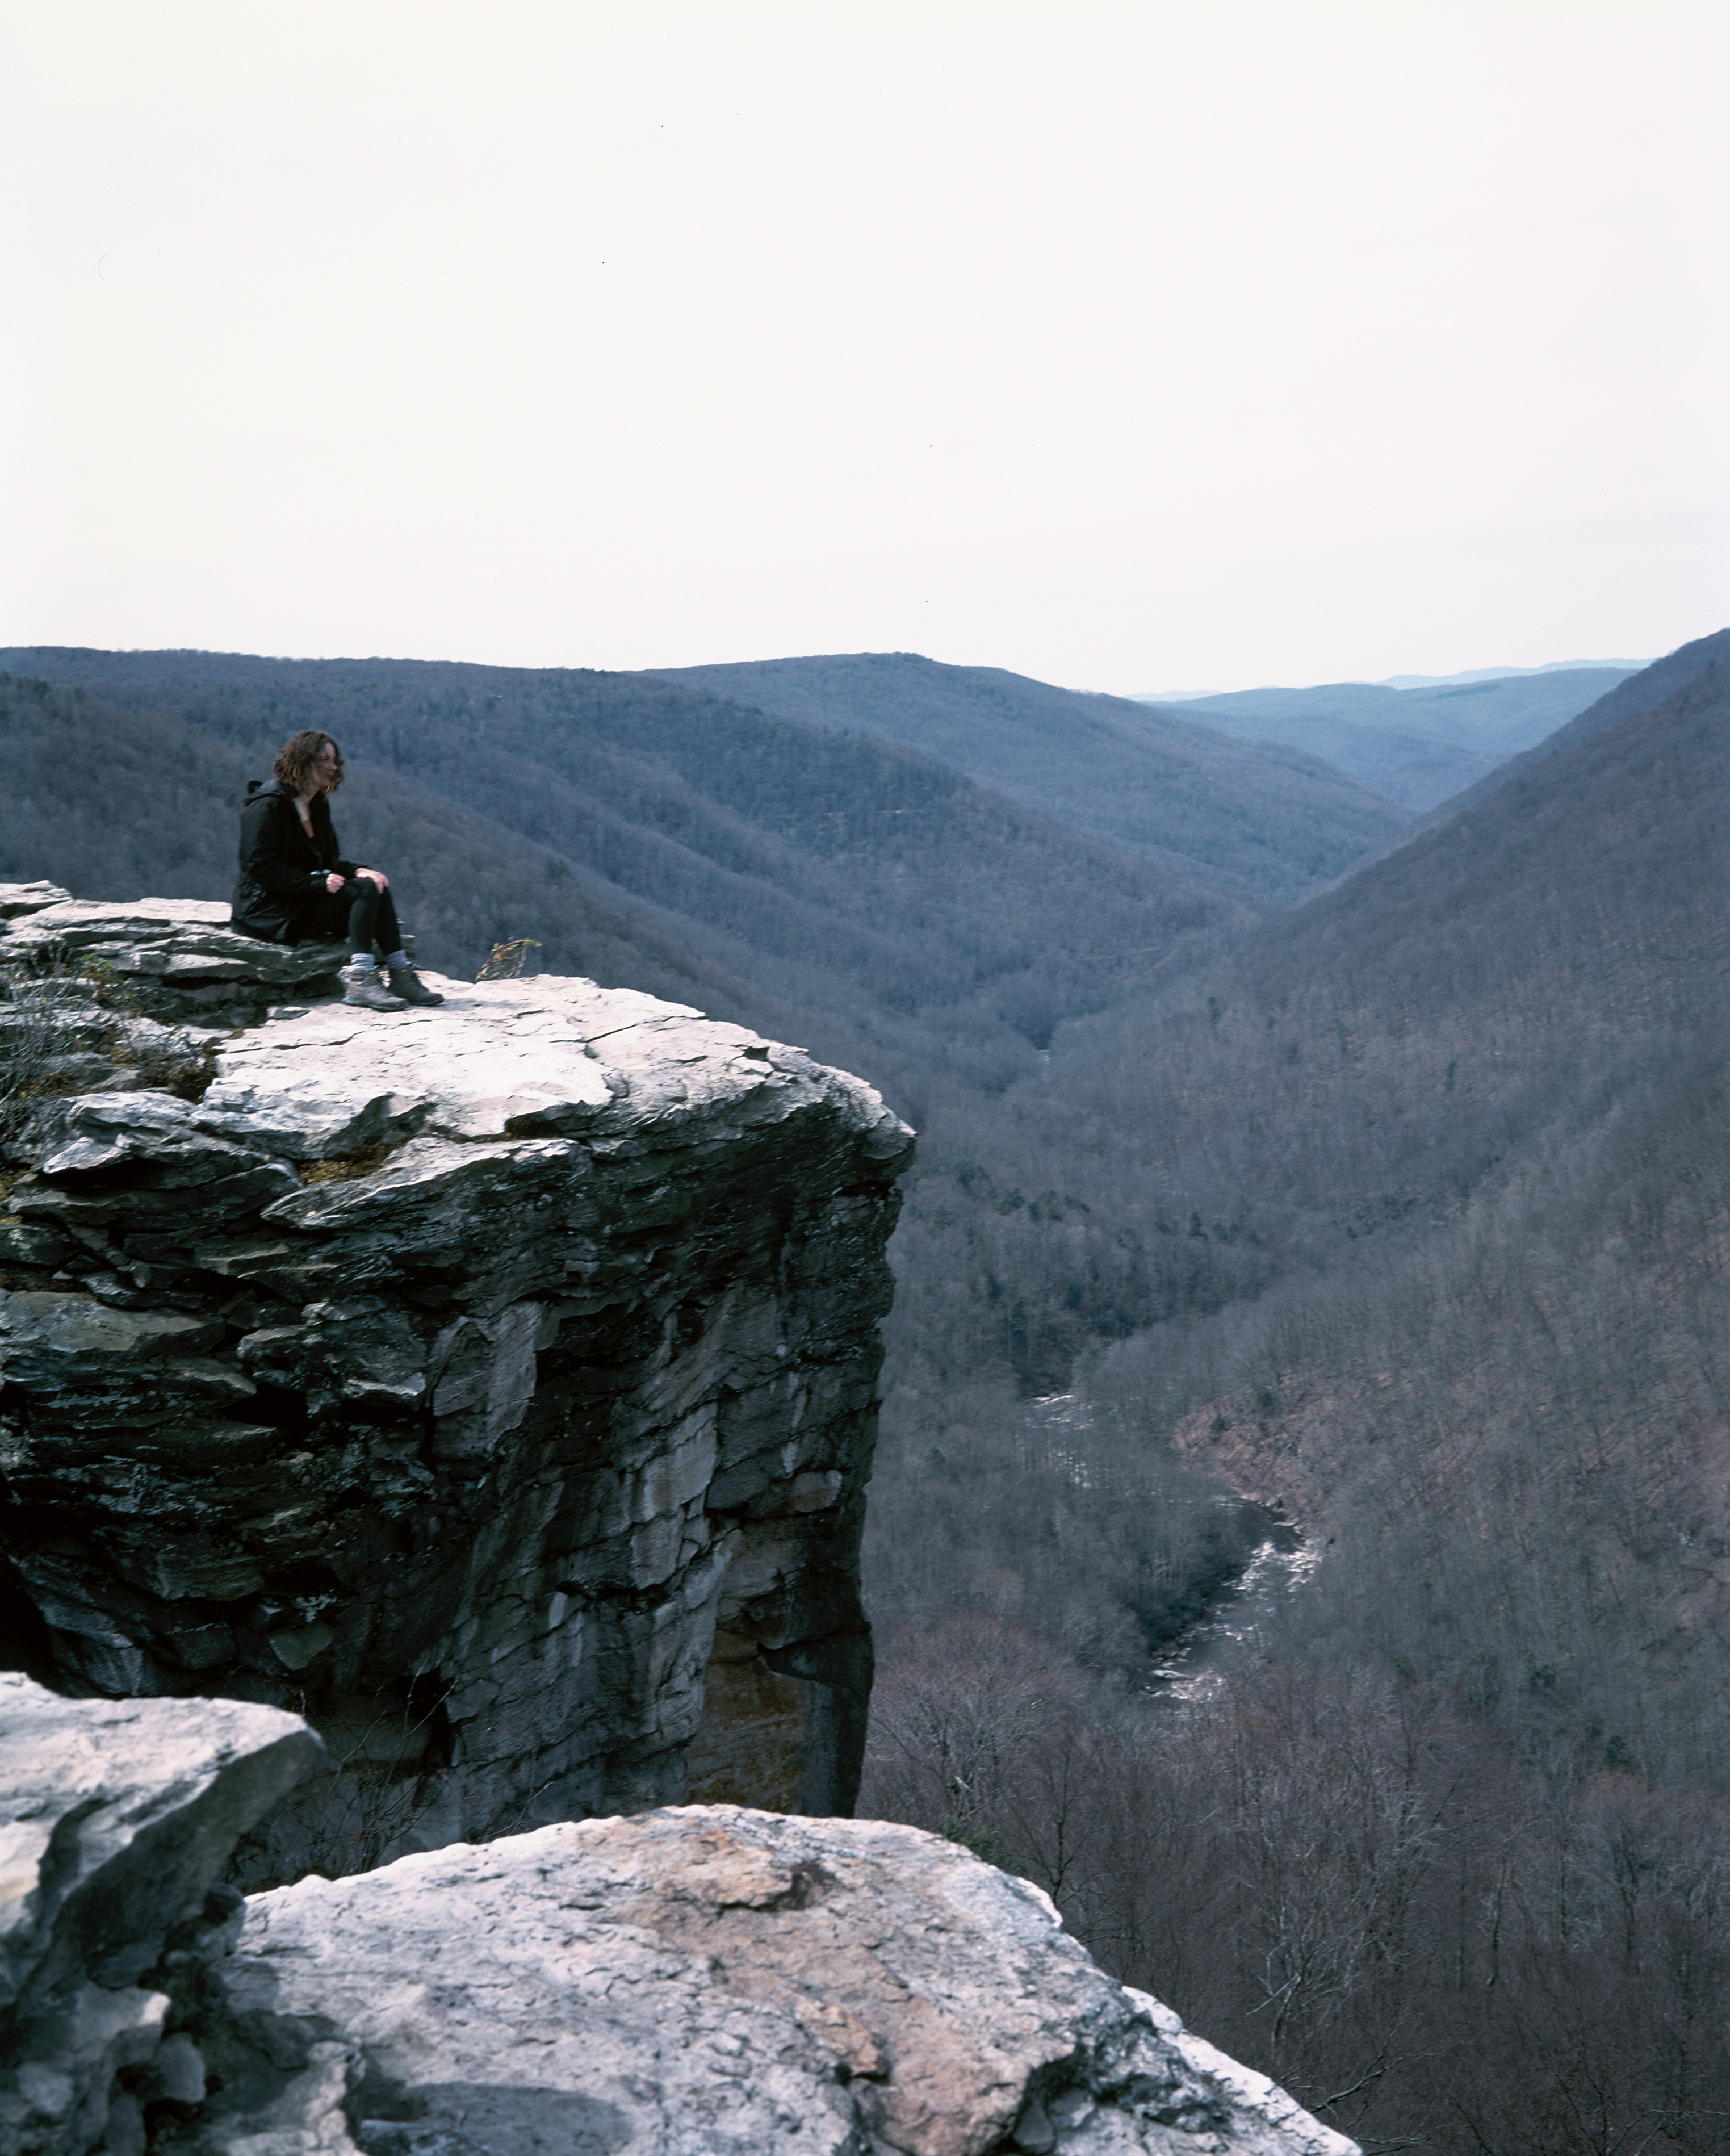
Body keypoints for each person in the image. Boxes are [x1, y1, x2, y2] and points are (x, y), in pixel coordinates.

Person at [230, 730, 443, 1009]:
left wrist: (359, 871)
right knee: (364, 891)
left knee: (375, 884)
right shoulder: (266, 807)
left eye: (335, 761)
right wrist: (316, 884)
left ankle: (400, 974)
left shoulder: (316, 804)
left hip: (298, 901)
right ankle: (361, 980)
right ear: (303, 762)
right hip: (268, 912)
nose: (334, 767)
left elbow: (327, 864)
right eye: (325, 760)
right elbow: (261, 869)